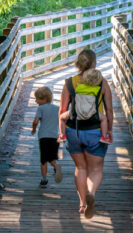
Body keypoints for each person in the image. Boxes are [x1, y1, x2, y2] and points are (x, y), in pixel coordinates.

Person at [59, 50, 113, 219]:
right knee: (95, 169)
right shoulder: (102, 83)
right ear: (94, 63)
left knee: (81, 167)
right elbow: (109, 110)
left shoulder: (70, 83)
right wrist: (109, 130)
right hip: (95, 131)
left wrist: (61, 131)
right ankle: (92, 194)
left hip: (74, 131)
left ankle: (83, 204)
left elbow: (62, 109)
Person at [57, 68, 112, 145]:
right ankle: (104, 136)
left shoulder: (79, 86)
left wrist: (80, 82)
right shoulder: (96, 89)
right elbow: (108, 109)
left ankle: (62, 135)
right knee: (104, 119)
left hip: (77, 112)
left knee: (61, 118)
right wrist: (110, 130)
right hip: (92, 113)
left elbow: (77, 87)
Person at [31, 86, 63, 188]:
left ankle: (44, 180)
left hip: (43, 137)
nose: (35, 101)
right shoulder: (57, 108)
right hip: (54, 136)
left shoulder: (40, 108)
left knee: (44, 159)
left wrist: (34, 129)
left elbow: (36, 121)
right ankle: (55, 166)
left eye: (37, 99)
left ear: (44, 99)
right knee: (52, 157)